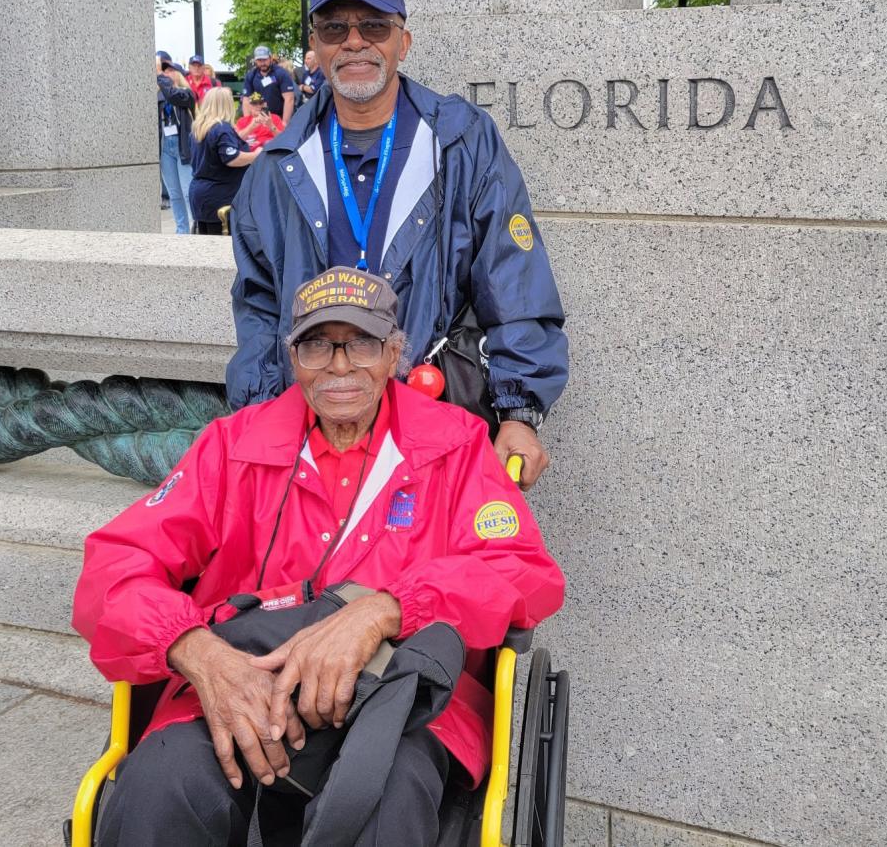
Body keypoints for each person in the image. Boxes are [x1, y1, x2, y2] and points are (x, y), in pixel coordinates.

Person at [72, 268, 564, 847]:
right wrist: (199, 653)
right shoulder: (234, 445)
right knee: (158, 788)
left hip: (399, 702)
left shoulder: (454, 445)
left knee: (386, 802)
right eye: (316, 345)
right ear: (292, 356)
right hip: (242, 684)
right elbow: (115, 566)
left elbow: (521, 574)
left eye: (361, 343)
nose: (338, 365)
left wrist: (386, 609)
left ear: (395, 353)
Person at [226, 0, 568, 489]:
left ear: (402, 42)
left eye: (374, 25)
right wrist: (258, 414)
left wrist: (519, 414)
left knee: (438, 573)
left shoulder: (462, 140)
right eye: (334, 27)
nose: (355, 41)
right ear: (314, 46)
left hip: (437, 418)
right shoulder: (277, 166)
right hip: (318, 432)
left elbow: (515, 286)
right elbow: (258, 306)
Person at [189, 87, 262, 235]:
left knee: (206, 247)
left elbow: (225, 148)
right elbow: (231, 158)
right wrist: (255, 155)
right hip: (220, 198)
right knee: (221, 250)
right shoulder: (222, 128)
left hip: (201, 195)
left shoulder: (199, 128)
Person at [156, 51, 196, 235]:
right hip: (166, 148)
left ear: (179, 74)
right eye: (164, 71)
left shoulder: (186, 95)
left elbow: (173, 95)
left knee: (188, 191)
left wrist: (159, 76)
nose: (166, 73)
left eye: (171, 70)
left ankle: (196, 226)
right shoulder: (160, 98)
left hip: (183, 148)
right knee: (174, 194)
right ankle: (182, 231)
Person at [242, 45, 296, 123]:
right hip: (258, 119)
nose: (262, 63)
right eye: (259, 60)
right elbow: (246, 100)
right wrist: (247, 122)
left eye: (265, 60)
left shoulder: (281, 73)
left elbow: (289, 99)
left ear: (270, 58)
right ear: (255, 61)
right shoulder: (251, 75)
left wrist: (285, 123)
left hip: (279, 118)